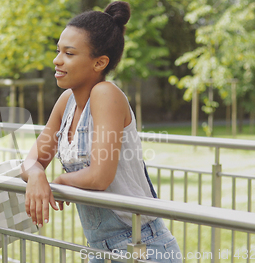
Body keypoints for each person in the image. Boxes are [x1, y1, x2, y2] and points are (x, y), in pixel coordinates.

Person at [20, 1, 182, 262]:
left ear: (99, 63)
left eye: (69, 54)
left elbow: (99, 176)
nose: (56, 60)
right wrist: (38, 174)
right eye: (58, 51)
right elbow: (32, 159)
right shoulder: (66, 103)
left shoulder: (106, 94)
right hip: (99, 249)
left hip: (141, 247)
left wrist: (60, 181)